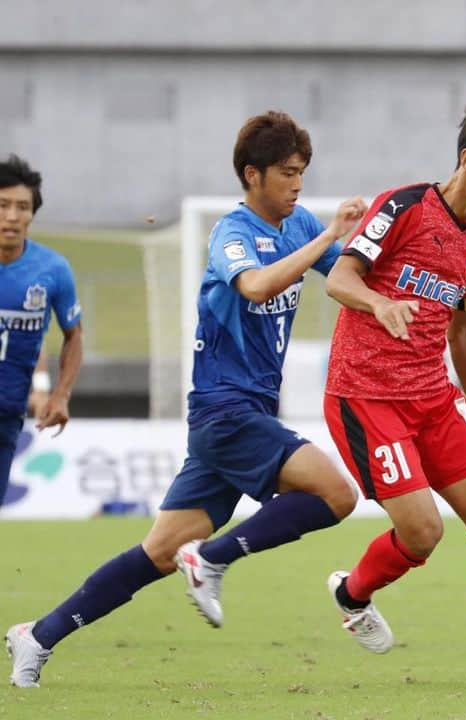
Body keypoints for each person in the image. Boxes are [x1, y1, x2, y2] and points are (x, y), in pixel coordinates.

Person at [6, 112, 365, 687]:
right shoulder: (233, 233)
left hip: (240, 417)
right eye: (288, 173)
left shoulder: (297, 226)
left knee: (157, 552)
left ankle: (38, 635)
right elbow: (255, 285)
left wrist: (386, 257)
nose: (298, 184)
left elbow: (345, 275)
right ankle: (215, 558)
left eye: (302, 172)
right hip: (226, 409)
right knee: (336, 493)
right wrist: (330, 234)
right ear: (254, 174)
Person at [321, 96, 466, 690]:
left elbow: (465, 327)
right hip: (367, 396)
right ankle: (352, 594)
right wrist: (380, 302)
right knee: (424, 533)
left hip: (433, 396)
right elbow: (341, 278)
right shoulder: (402, 207)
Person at [0, 154, 83, 509]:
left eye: (22, 206)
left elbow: (73, 335)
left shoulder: (52, 270)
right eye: (3, 205)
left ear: (33, 213)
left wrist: (59, 394)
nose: (13, 216)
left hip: (8, 413)